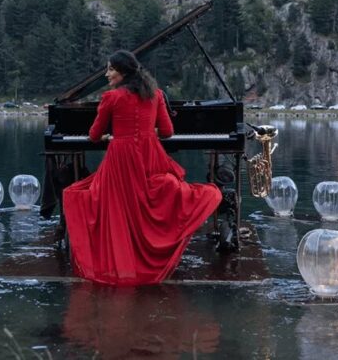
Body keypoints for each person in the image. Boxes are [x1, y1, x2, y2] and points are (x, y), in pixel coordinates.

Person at [62, 50, 222, 286]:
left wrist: (110, 137)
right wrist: (147, 133)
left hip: (121, 158)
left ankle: (122, 256)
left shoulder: (111, 98)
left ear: (123, 72)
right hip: (150, 155)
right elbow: (167, 132)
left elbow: (94, 136)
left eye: (111, 69)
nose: (107, 75)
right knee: (146, 199)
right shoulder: (155, 94)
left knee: (82, 196)